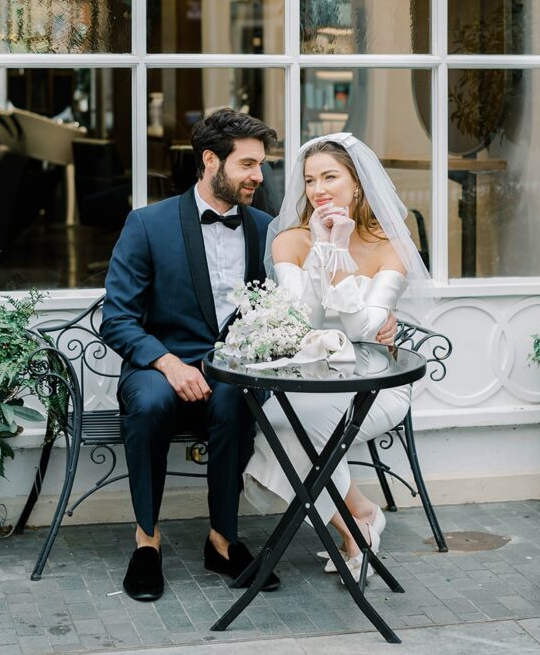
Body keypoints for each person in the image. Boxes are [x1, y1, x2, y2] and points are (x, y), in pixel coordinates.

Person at [100, 108, 281, 602]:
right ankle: (147, 541)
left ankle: (222, 540)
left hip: (231, 370)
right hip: (160, 364)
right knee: (152, 403)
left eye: (261, 165)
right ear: (210, 160)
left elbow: (287, 307)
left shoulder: (267, 230)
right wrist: (168, 362)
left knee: (236, 398)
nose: (258, 176)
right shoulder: (147, 224)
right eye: (247, 164)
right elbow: (115, 318)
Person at [243, 132, 432, 579]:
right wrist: (324, 249)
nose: (318, 189)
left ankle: (354, 520)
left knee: (293, 426)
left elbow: (365, 330)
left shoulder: (391, 246)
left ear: (358, 184)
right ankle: (357, 519)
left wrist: (340, 254)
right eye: (310, 180)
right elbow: (301, 321)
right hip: (307, 378)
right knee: (287, 418)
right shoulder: (290, 241)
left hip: (373, 386)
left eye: (330, 176)